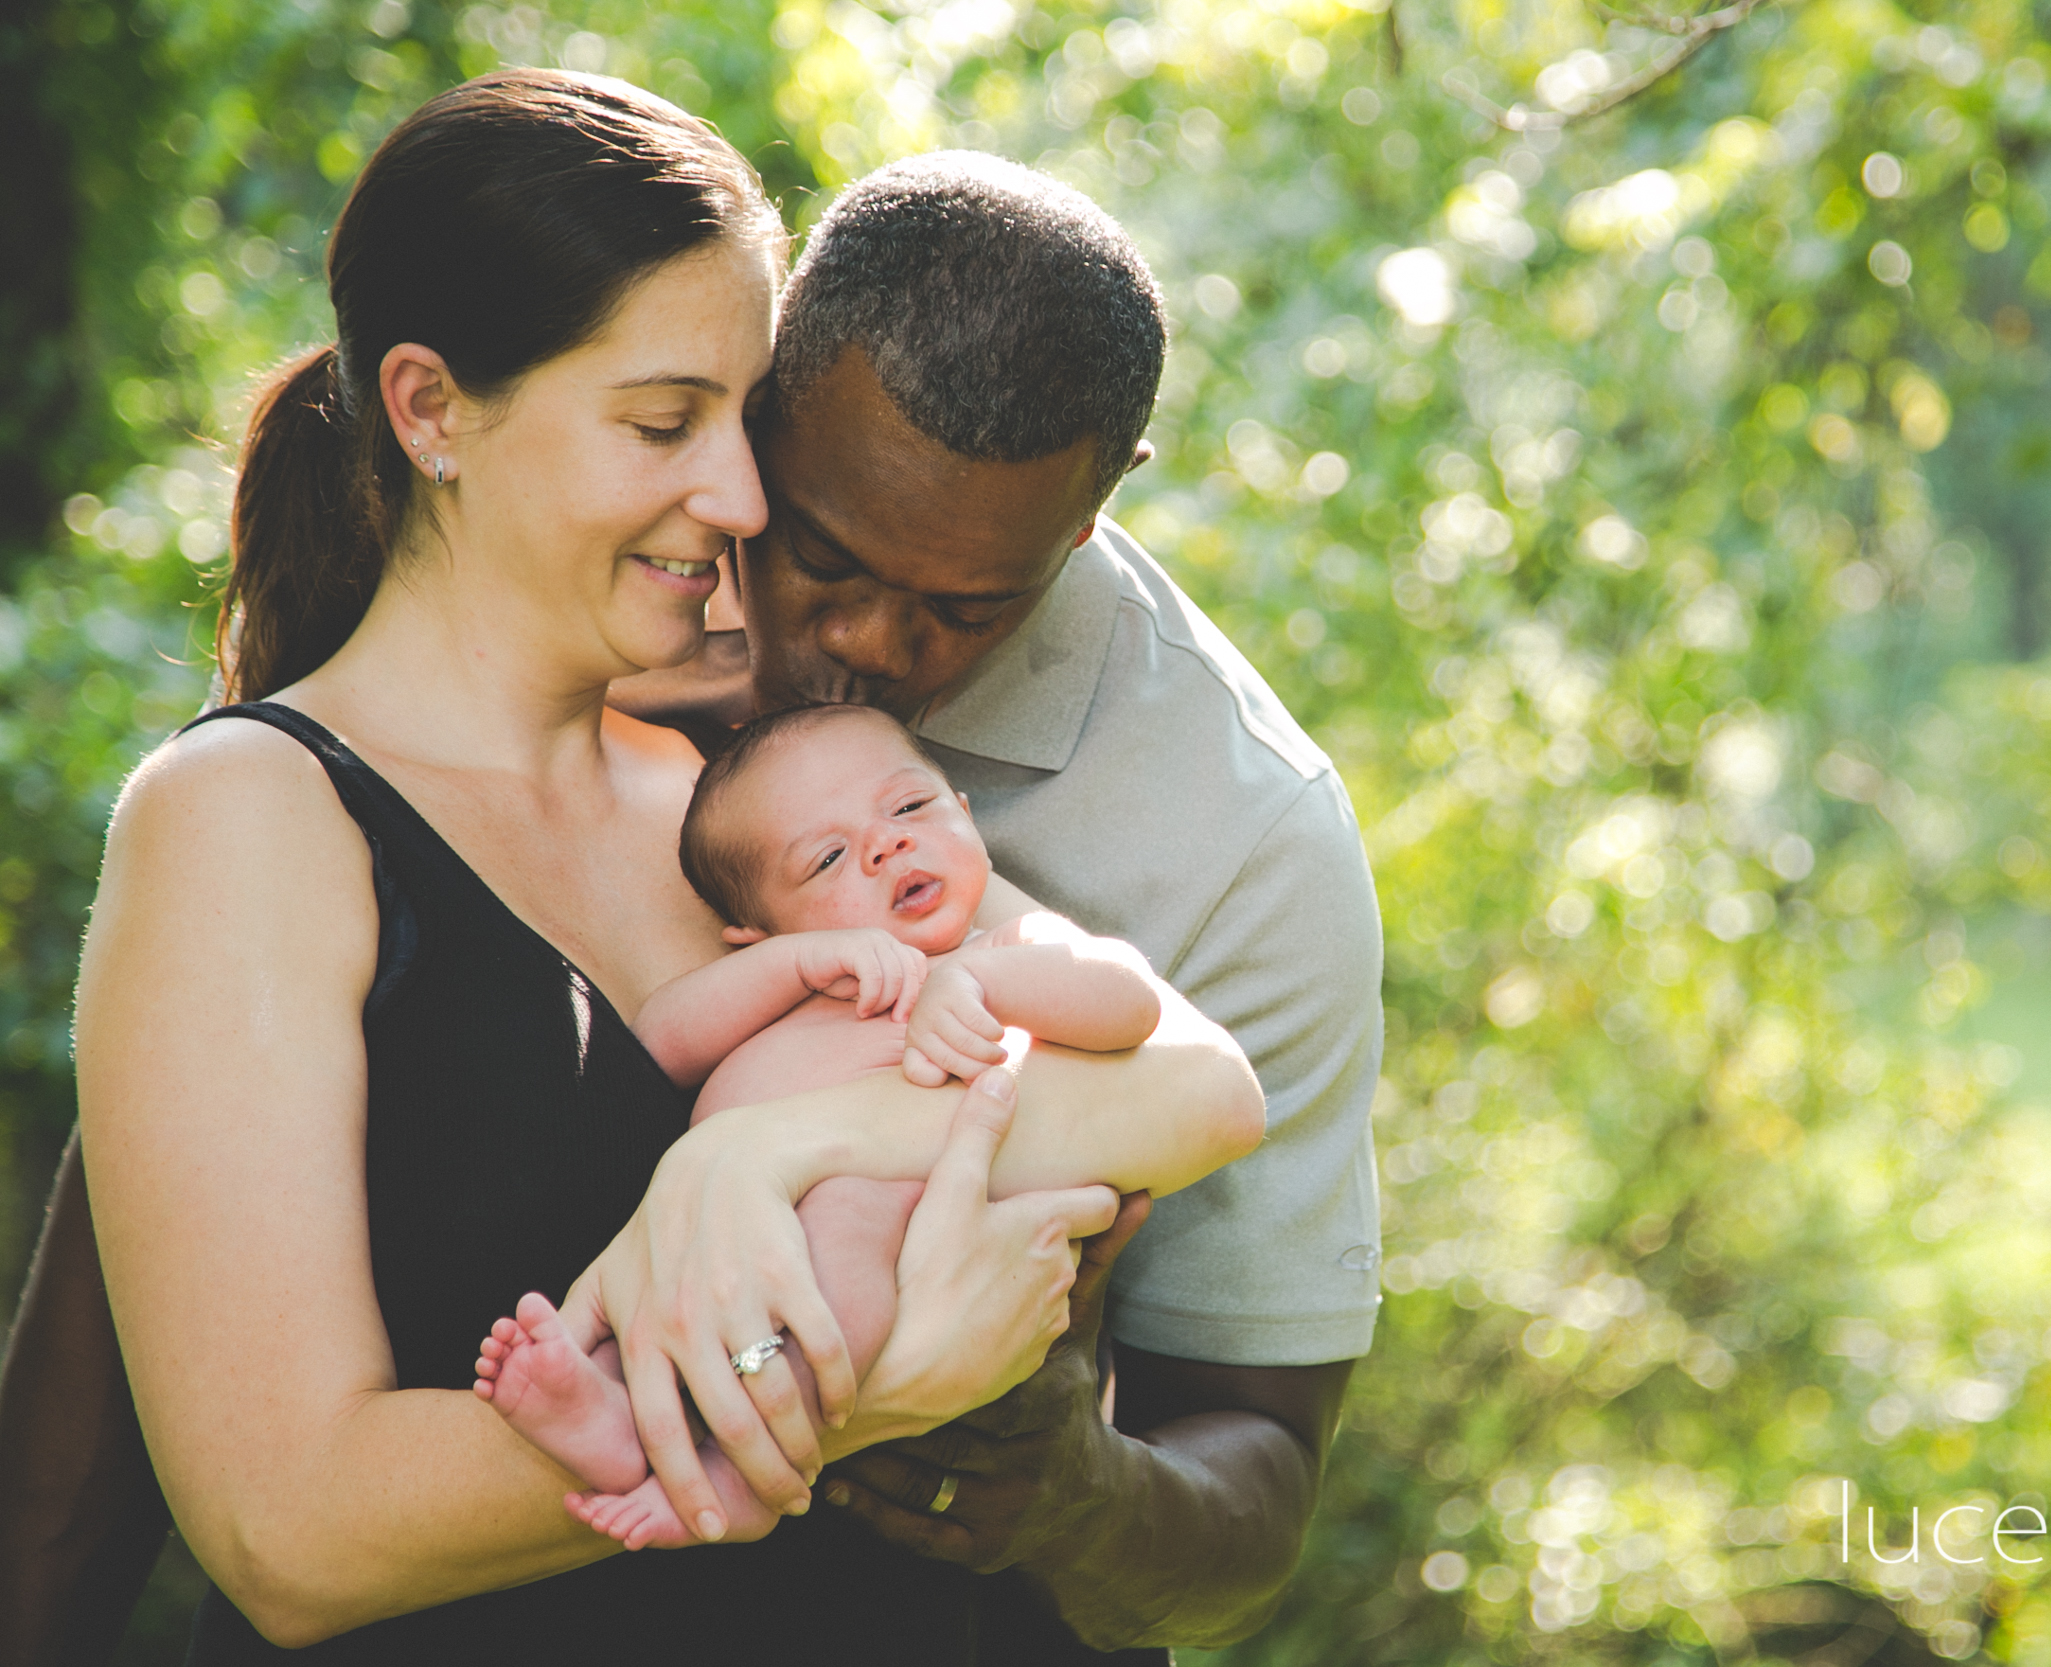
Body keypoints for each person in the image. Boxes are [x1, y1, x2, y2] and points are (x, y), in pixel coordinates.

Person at [51, 69, 1260, 1662]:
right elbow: (291, 1525)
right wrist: (843, 1398)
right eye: (663, 421)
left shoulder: (742, 796)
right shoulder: (249, 814)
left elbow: (1196, 1084)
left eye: (742, 420)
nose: (746, 496)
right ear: (431, 411)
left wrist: (759, 1158)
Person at [615, 151, 1388, 1656]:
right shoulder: (599, 555)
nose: (864, 641)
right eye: (821, 553)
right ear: (761, 404)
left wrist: (1071, 1490)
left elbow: (1258, 1472)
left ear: (1091, 522)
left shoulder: (1246, 834)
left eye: (967, 606)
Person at [475, 702, 1264, 1553]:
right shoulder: (792, 976)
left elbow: (1129, 1002)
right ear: (757, 927)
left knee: (837, 1299)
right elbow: (659, 1043)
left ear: (966, 814)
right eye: (826, 857)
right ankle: (605, 1402)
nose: (886, 844)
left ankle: (744, 1480)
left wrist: (979, 983)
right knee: (672, 1307)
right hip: (718, 1223)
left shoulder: (1011, 942)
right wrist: (798, 963)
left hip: (872, 1197)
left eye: (910, 808)